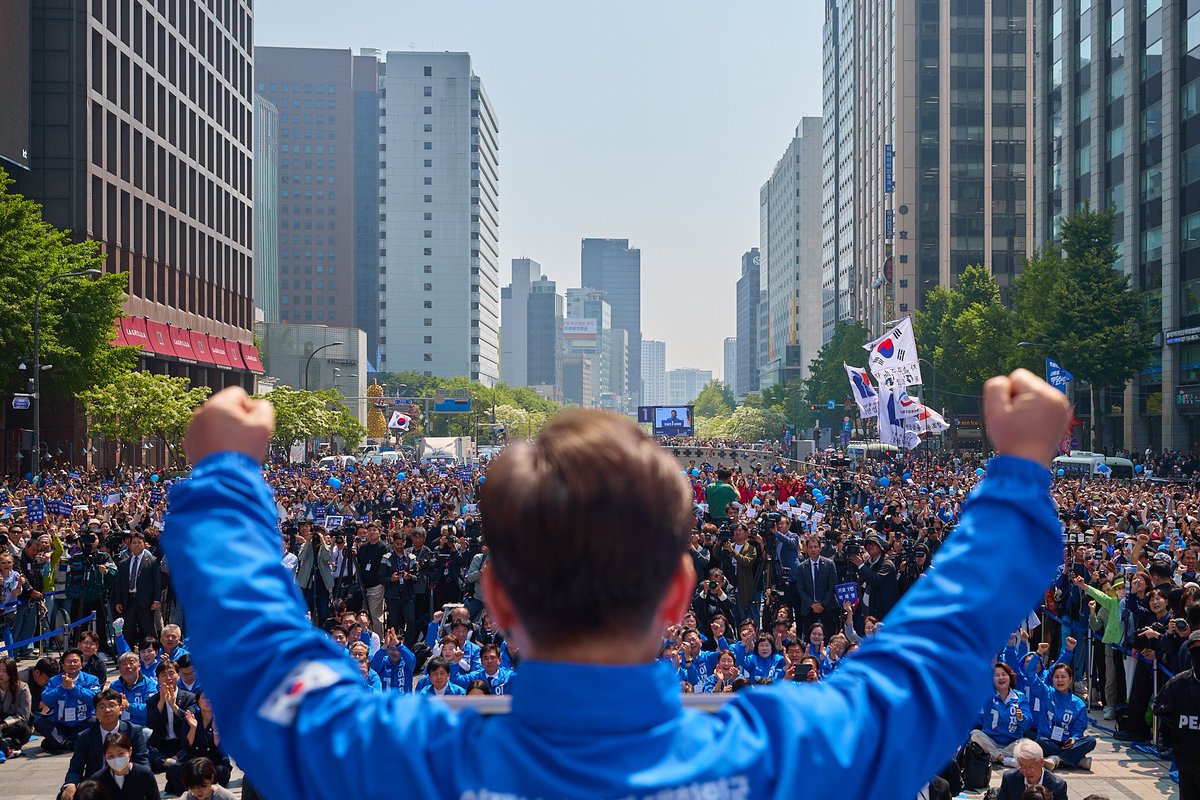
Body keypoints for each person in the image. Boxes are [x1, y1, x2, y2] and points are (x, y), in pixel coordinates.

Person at [162, 371, 1069, 800]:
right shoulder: (789, 757)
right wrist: (1020, 471)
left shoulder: (398, 762)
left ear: (495, 598)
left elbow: (257, 658)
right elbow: (935, 648)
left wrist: (225, 479)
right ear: (680, 593)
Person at [60, 688, 150, 800]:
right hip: (95, 785)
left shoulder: (134, 732)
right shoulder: (85, 736)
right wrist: (71, 784)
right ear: (96, 713)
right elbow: (76, 767)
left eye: (111, 705)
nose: (107, 710)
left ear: (120, 709)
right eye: (101, 707)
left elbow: (142, 761)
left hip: (126, 781)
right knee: (65, 795)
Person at [1152, 630, 1200, 800]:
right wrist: (1173, 737)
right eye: (1195, 650)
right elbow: (1159, 708)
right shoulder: (1178, 684)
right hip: (1187, 761)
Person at [969, 662, 1033, 764]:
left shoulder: (1020, 697)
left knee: (1025, 742)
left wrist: (1021, 718)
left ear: (1010, 677)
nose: (1001, 678)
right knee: (975, 734)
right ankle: (1003, 759)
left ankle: (996, 756)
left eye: (1004, 674)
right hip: (991, 741)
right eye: (997, 675)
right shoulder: (987, 696)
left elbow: (1028, 724)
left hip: (1012, 744)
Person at [113, 532, 162, 651]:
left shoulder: (152, 561)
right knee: (127, 630)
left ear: (144, 544)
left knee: (148, 631)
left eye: (139, 542)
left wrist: (156, 599)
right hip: (128, 600)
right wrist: (118, 601)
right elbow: (119, 584)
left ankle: (151, 655)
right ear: (130, 545)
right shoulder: (123, 563)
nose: (136, 545)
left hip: (146, 602)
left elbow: (157, 582)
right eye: (134, 543)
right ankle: (127, 655)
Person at [88, 731, 159, 800]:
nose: (116, 759)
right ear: (104, 756)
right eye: (111, 756)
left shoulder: (144, 774)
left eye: (121, 753)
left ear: (130, 751)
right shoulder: (97, 779)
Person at [995, 739, 1068, 800]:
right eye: (1023, 767)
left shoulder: (1058, 785)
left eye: (1031, 766)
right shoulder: (1009, 778)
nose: (1027, 771)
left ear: (1041, 762)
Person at [0, 655, 33, 753]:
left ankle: (7, 742)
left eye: (5, 671)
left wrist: (4, 725)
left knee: (24, 729)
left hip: (12, 723)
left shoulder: (22, 688)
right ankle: (8, 742)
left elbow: (23, 716)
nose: (0, 674)